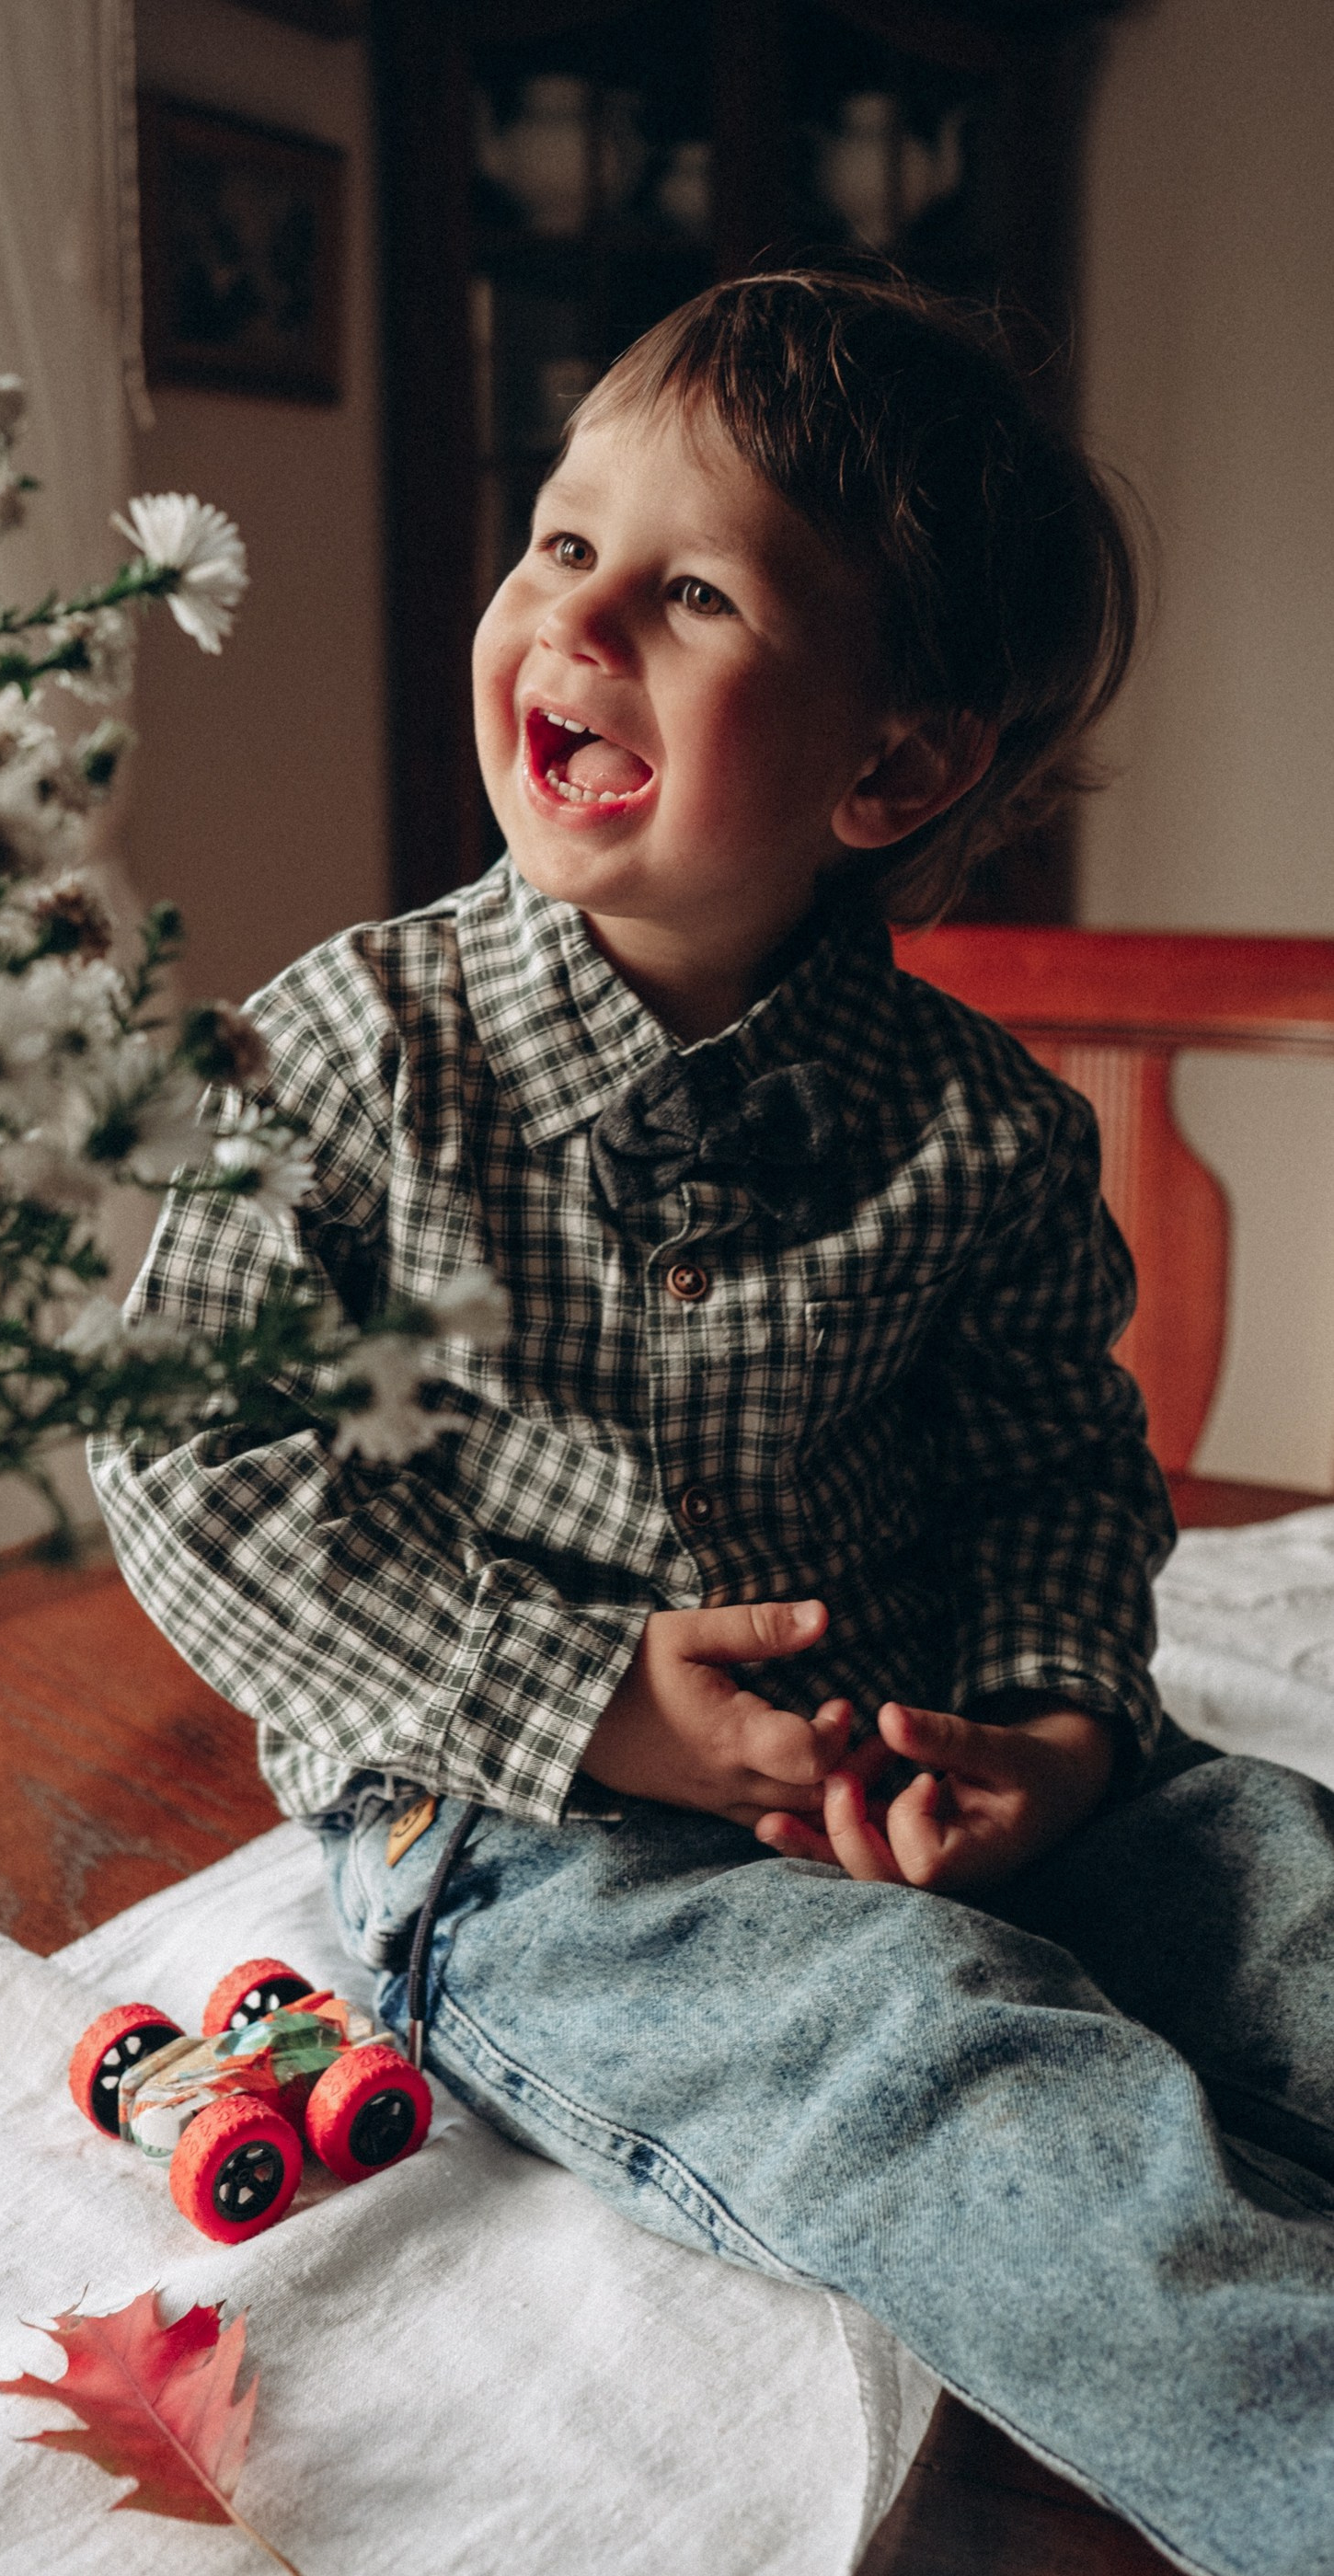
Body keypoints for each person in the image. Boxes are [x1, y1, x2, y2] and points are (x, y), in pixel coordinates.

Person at [93, 272, 1334, 2576]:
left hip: (920, 1750)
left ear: (890, 767)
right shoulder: (346, 1055)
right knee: (959, 2078)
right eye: (560, 544)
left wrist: (1052, 1735)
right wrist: (592, 1704)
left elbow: (1057, 1470)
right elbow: (184, 1455)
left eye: (684, 589)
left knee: (1287, 1896)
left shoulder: (976, 1130)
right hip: (525, 1833)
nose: (573, 617)